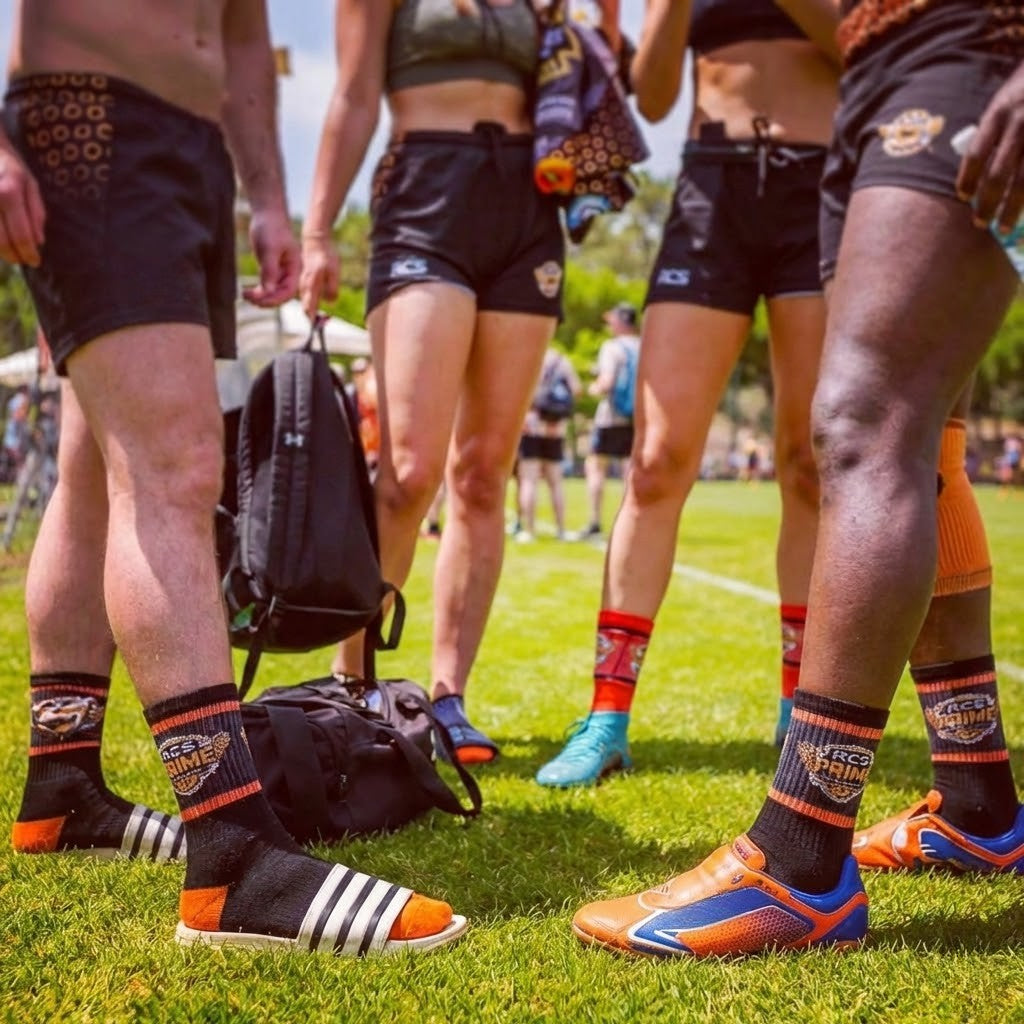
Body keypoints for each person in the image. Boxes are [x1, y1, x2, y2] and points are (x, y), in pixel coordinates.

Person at [1, 0, 464, 956]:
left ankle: (62, 788)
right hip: (87, 118)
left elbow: (242, 27)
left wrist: (264, 196)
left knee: (102, 460)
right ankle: (233, 854)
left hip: (190, 147)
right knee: (173, 467)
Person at [571, 0, 1024, 957]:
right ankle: (981, 804)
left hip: (970, 44)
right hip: (883, 70)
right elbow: (653, 92)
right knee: (921, 433)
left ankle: (801, 859)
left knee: (864, 424)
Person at [538, 0, 838, 788]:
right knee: (656, 461)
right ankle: (606, 717)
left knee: (808, 463)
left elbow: (858, 49)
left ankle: (799, 711)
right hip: (713, 190)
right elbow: (658, 93)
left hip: (823, 182)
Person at [300, 0, 568, 764]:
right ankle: (354, 687)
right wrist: (318, 231)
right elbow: (353, 94)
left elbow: (583, 76)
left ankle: (449, 695)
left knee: (483, 474)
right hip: (425, 192)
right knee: (409, 472)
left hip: (529, 202)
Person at [576, 302, 641, 540]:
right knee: (629, 470)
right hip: (637, 417)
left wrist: (591, 388)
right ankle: (631, 522)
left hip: (611, 417)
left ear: (620, 321)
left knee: (595, 466)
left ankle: (595, 521)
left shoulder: (612, 348)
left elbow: (607, 382)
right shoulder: (645, 346)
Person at [516, 346, 582, 541]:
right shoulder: (562, 361)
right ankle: (561, 530)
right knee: (555, 481)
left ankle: (528, 530)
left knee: (529, 480)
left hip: (531, 426)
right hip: (555, 429)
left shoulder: (529, 356)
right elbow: (576, 390)